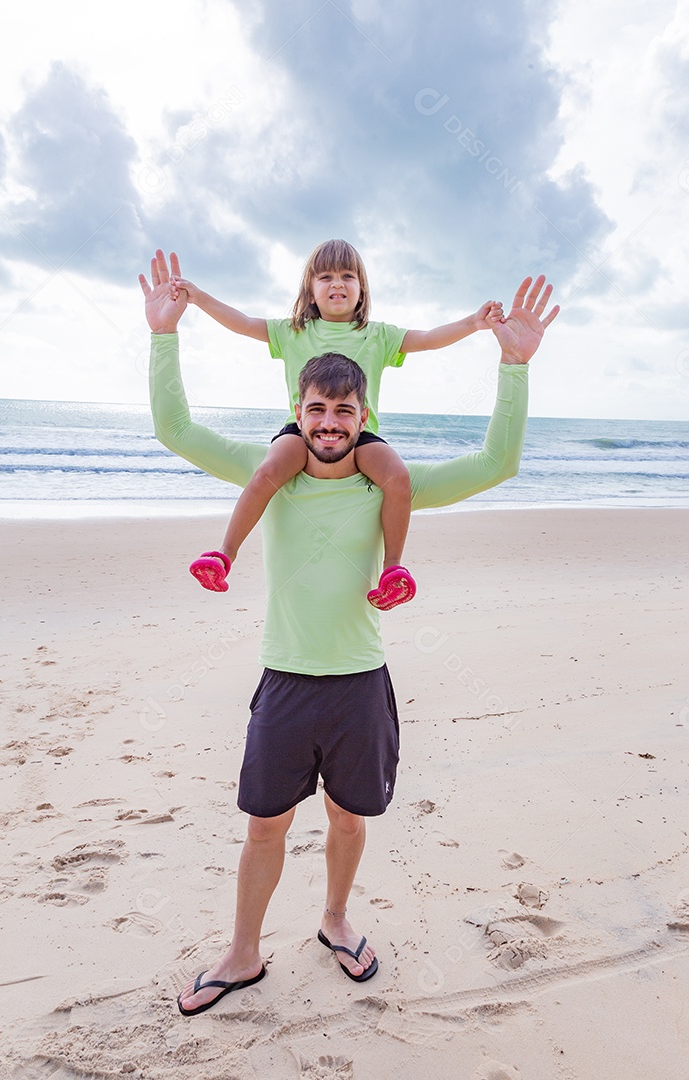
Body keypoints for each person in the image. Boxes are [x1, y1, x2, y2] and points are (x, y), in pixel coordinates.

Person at [139, 249, 559, 1016]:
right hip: (287, 680)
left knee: (348, 819)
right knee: (265, 826)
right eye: (315, 413)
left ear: (363, 418)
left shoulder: (385, 483)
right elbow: (175, 429)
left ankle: (334, 920)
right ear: (296, 413)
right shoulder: (270, 472)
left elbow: (498, 462)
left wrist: (514, 365)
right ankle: (243, 952)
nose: (328, 426)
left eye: (343, 414)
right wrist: (166, 334)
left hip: (362, 682)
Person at [169, 239, 504, 610]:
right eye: (325, 276)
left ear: (361, 289)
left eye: (348, 275)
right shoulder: (293, 331)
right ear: (310, 290)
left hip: (358, 434)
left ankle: (393, 569)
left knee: (398, 477)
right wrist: (198, 298)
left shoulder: (378, 335)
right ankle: (223, 555)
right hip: (301, 432)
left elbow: (426, 340)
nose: (337, 284)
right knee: (266, 472)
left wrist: (473, 323)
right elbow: (245, 324)